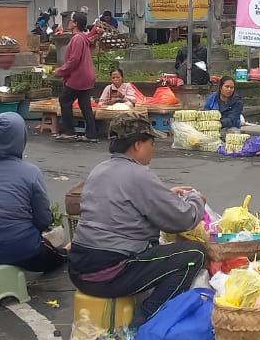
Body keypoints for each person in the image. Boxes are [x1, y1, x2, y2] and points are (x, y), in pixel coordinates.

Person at [69, 115, 206, 324]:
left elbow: (127, 203)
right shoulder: (138, 174)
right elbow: (184, 219)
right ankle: (143, 321)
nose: (152, 149)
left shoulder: (100, 169)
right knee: (194, 254)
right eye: (151, 143)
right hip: (109, 273)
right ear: (137, 145)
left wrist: (166, 196)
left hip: (79, 270)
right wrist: (196, 199)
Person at [0, 112, 66, 274]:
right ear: (21, 138)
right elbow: (43, 219)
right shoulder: (30, 172)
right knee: (58, 257)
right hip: (18, 250)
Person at [54, 12, 98, 142]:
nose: (69, 22)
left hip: (79, 77)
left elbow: (74, 60)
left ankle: (68, 131)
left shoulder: (77, 38)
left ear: (75, 23)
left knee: (64, 100)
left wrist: (60, 71)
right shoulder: (82, 37)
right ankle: (91, 134)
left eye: (71, 20)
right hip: (86, 76)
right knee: (85, 104)